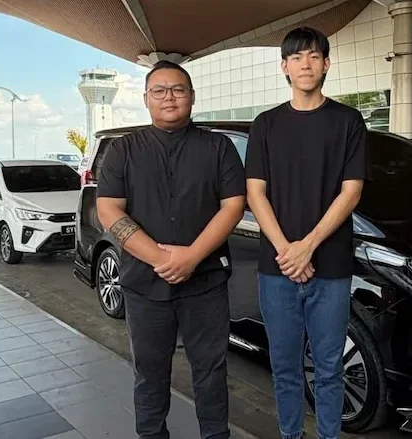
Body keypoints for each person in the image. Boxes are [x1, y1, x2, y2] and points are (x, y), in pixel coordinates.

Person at [96, 60, 246, 439]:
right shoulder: (123, 150)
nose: (169, 97)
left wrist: (192, 257)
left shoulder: (218, 147)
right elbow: (108, 209)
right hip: (144, 285)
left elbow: (233, 205)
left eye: (178, 89)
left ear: (191, 97)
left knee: (211, 373)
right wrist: (163, 259)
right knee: (149, 373)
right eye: (159, 90)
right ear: (146, 98)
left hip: (206, 283)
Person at [244, 27, 369, 439]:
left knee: (330, 367)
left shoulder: (348, 121)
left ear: (327, 63)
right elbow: (255, 193)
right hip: (276, 268)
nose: (306, 64)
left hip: (330, 267)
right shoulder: (265, 124)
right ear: (284, 66)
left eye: (314, 56)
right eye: (296, 57)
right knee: (284, 366)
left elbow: (351, 192)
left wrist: (308, 247)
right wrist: (287, 251)